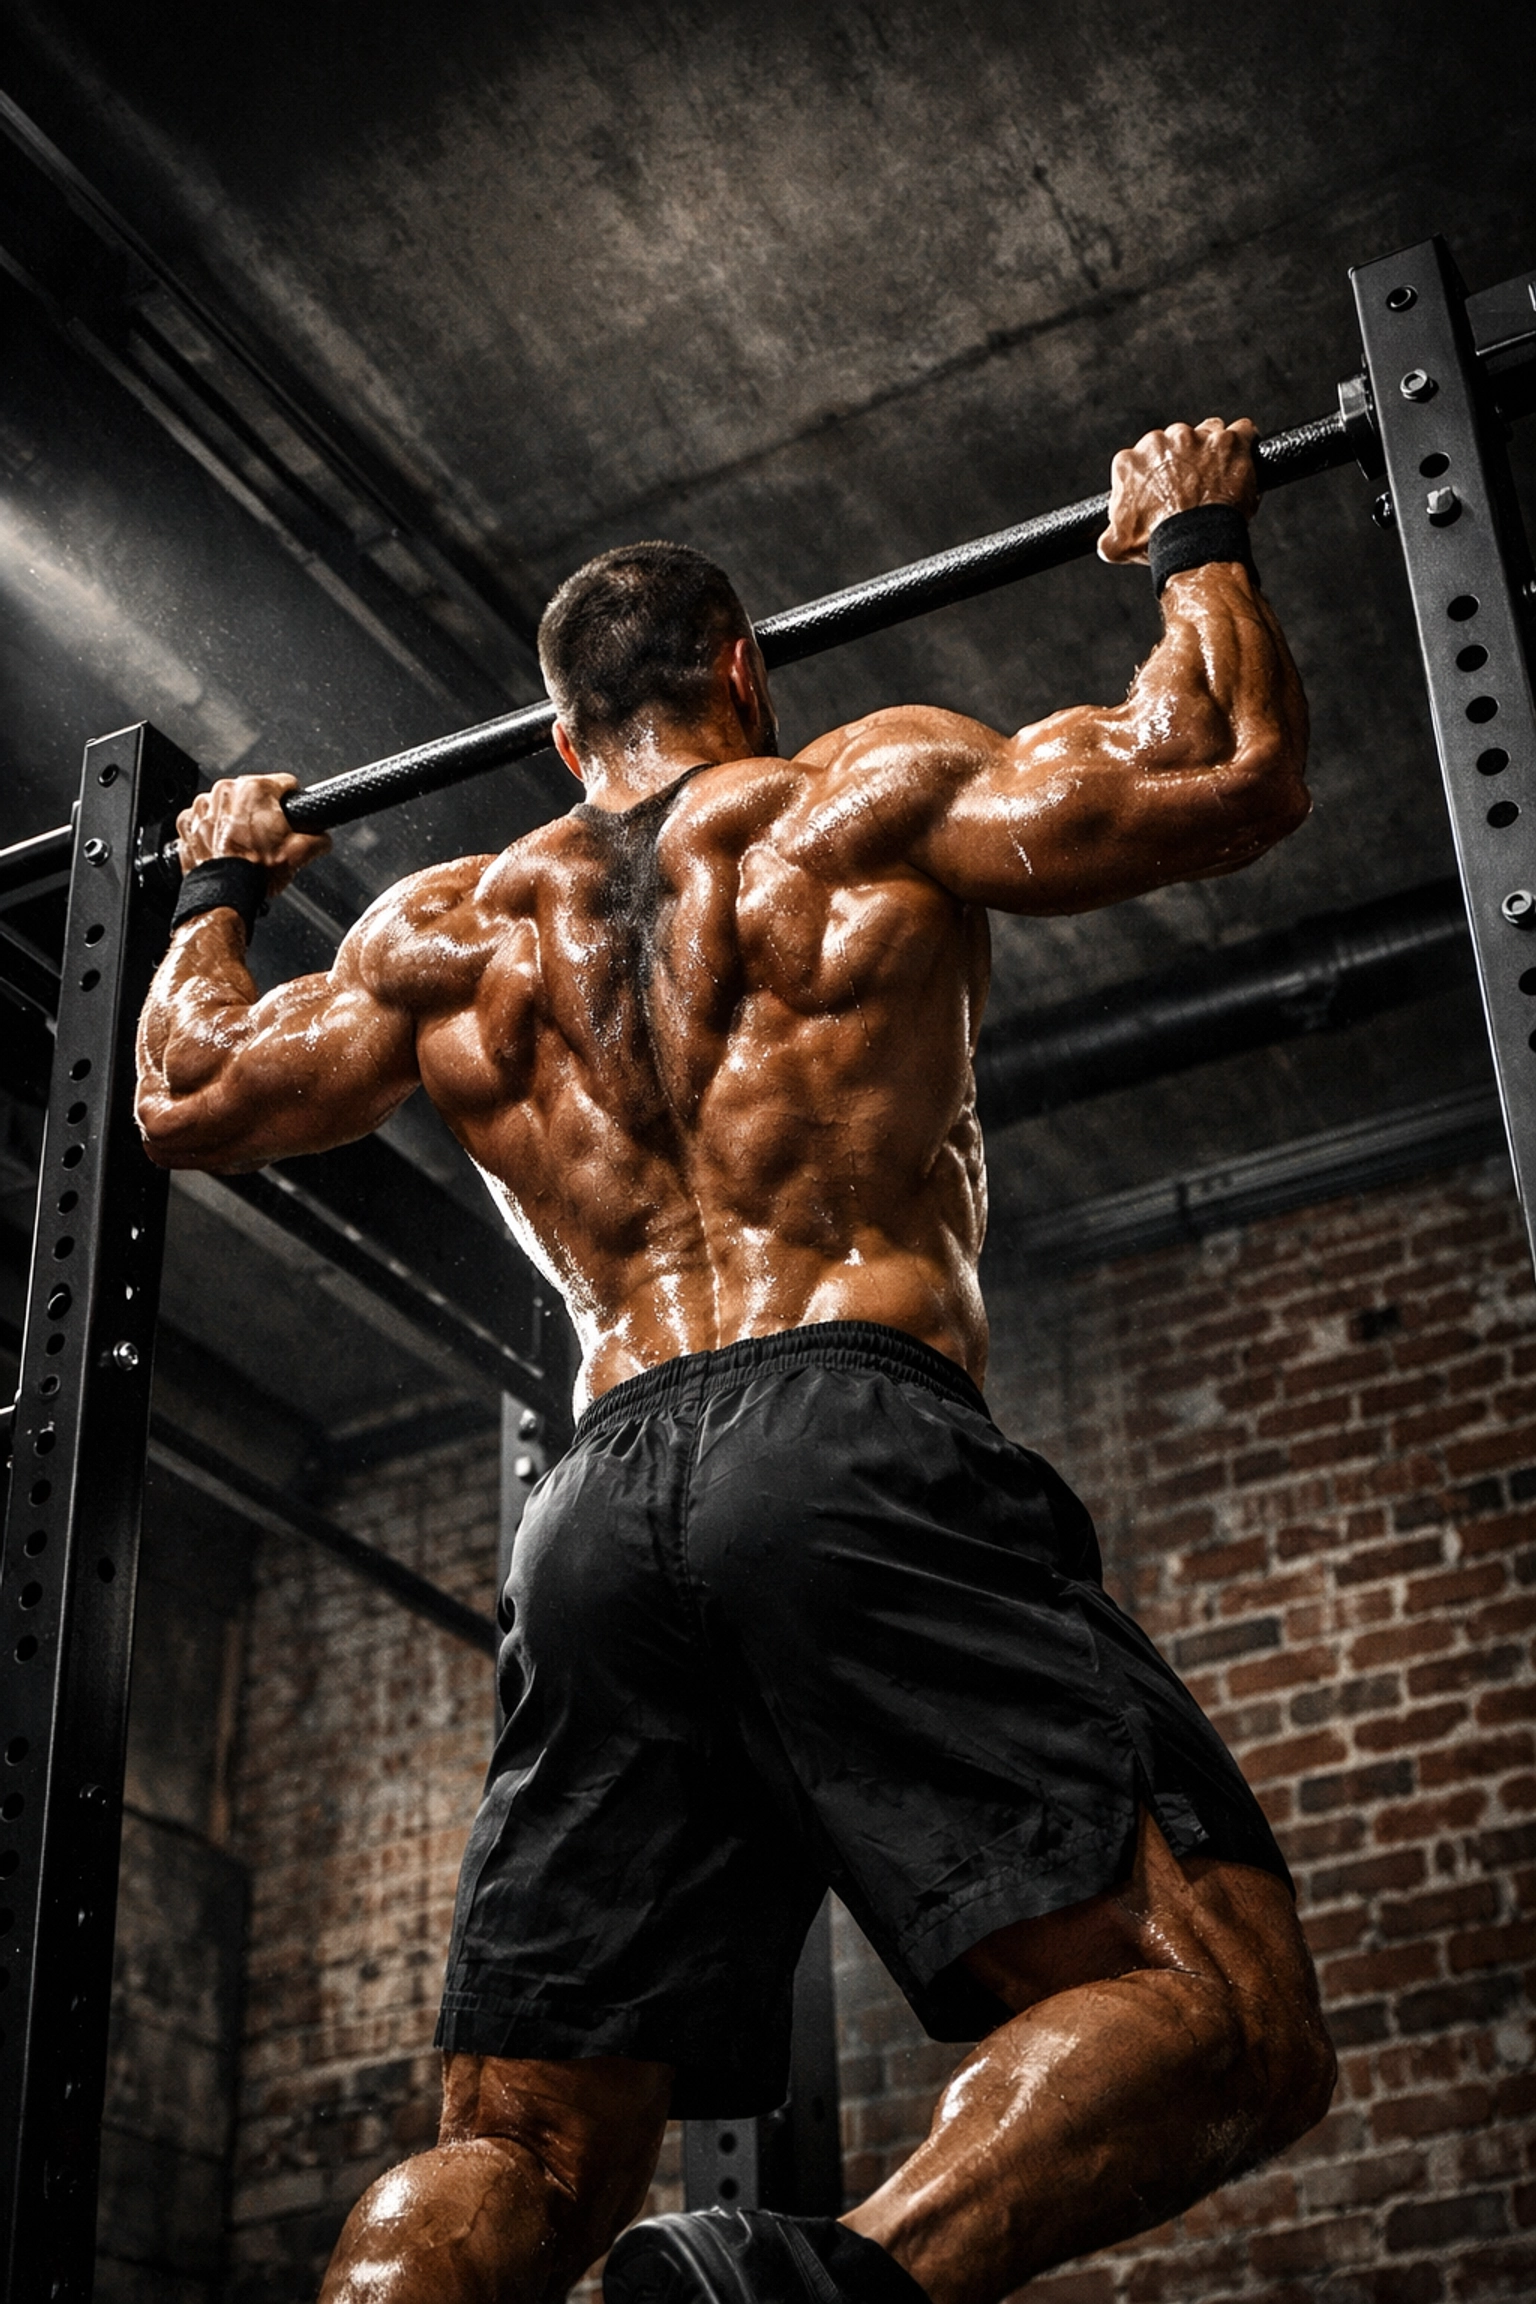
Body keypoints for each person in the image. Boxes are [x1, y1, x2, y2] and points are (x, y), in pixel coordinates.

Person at [136, 416, 1334, 2304]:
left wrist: (214, 891)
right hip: (846, 1421)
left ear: (556, 739)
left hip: (591, 1504)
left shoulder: (447, 929)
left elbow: (188, 1092)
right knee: (1224, 2014)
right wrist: (1191, 535)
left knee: (516, 2150)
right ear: (743, 667)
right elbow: (1226, 765)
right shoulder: (850, 796)